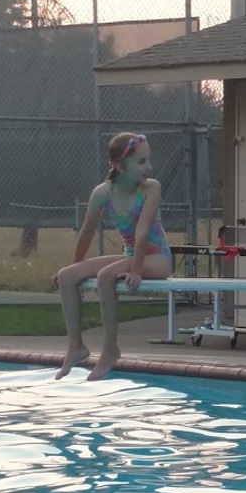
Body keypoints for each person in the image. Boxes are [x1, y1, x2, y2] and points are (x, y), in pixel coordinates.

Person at [54, 133, 173, 382]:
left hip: (157, 258)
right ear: (119, 166)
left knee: (106, 276)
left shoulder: (152, 188)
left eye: (148, 160)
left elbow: (142, 232)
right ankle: (76, 346)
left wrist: (136, 271)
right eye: (141, 162)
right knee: (66, 277)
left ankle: (110, 350)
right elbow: (87, 232)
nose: (149, 167)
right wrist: (76, 266)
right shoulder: (102, 194)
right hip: (132, 255)